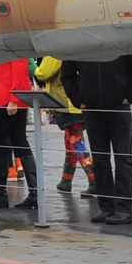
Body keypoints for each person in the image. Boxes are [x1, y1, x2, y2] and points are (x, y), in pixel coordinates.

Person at [66, 53, 132, 224]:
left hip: (118, 107)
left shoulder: (121, 41)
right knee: (100, 160)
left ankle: (126, 209)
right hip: (92, 109)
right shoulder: (78, 44)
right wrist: (78, 100)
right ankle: (106, 207)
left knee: (123, 158)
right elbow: (67, 73)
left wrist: (129, 97)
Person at [0, 58, 37, 211]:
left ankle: (0, 194)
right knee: (19, 140)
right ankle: (35, 193)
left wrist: (14, 99)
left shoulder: (12, 44)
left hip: (8, 98)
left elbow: (19, 70)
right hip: (9, 96)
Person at [33, 57, 94, 195]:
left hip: (66, 103)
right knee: (70, 140)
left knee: (74, 141)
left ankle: (94, 179)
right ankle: (66, 180)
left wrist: (33, 68)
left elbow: (43, 73)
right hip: (78, 101)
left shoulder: (55, 50)